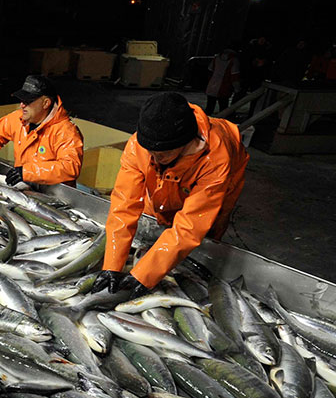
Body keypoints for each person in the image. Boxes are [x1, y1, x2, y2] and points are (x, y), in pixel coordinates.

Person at [93, 92, 249, 296]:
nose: (156, 157)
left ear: (185, 143)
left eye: (163, 154)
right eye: (152, 152)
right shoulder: (140, 145)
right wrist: (112, 265)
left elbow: (190, 226)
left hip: (219, 182)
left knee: (206, 232)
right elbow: (124, 205)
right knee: (158, 212)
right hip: (167, 179)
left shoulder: (216, 158)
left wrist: (144, 275)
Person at [0, 75, 84, 186]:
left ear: (46, 103)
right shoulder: (18, 119)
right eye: (22, 100)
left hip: (54, 196)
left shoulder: (66, 131)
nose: (22, 105)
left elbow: (70, 167)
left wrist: (26, 172)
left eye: (28, 101)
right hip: (23, 186)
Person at [205, 44, 241, 115]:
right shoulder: (234, 60)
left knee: (209, 108)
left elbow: (210, 70)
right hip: (225, 88)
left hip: (212, 86)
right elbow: (234, 76)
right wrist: (237, 89)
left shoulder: (217, 57)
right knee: (223, 109)